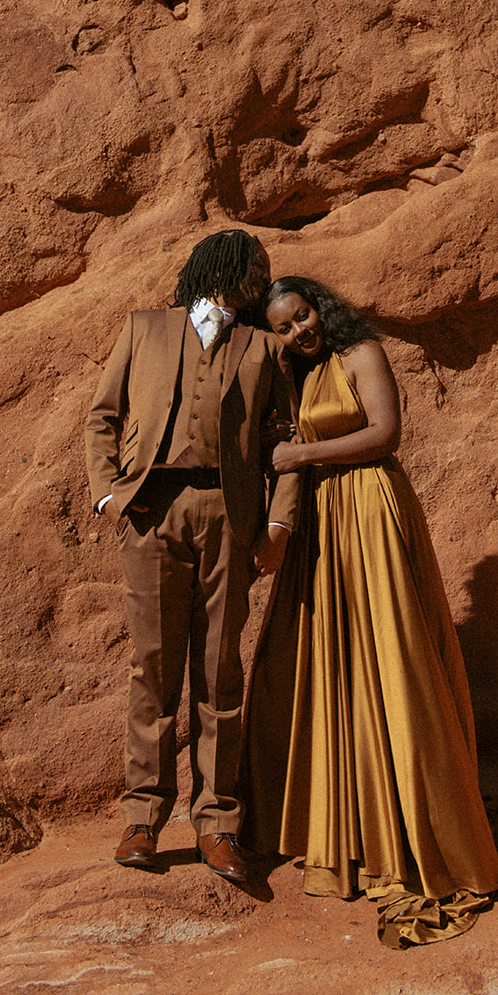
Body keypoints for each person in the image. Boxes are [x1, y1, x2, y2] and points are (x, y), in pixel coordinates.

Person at [241, 276, 498, 948]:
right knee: (317, 665)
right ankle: (344, 826)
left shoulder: (362, 352)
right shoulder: (294, 379)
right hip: (322, 525)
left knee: (392, 658)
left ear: (318, 308)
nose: (301, 329)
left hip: (374, 512)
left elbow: (385, 434)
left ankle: (420, 827)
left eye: (304, 315)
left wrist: (299, 452)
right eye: (286, 325)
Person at [85, 230, 298, 884]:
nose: (263, 280)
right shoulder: (145, 330)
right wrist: (109, 498)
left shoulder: (264, 348)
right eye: (255, 268)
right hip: (152, 514)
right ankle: (144, 818)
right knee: (152, 670)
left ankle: (218, 824)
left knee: (219, 676)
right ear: (222, 268)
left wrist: (276, 526)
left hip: (228, 521)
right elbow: (103, 416)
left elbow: (282, 438)